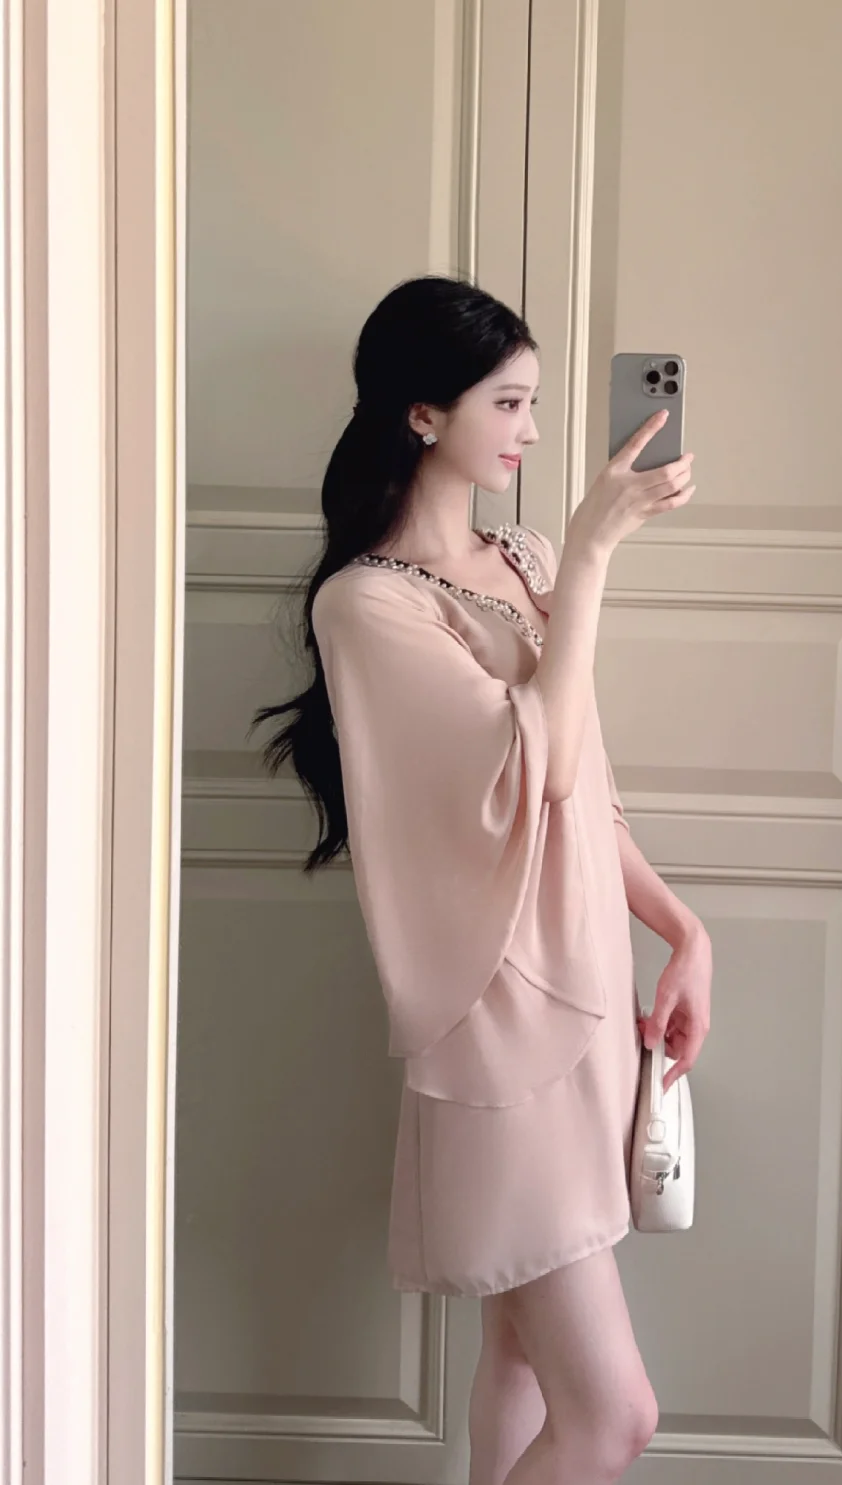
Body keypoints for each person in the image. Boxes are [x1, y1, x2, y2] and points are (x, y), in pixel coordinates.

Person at [253, 274, 713, 1484]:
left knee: (521, 1357)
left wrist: (681, 930)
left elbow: (588, 785)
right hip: (501, 1023)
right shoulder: (368, 606)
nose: (533, 431)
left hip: (589, 986)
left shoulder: (523, 554)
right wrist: (598, 553)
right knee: (614, 1415)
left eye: (536, 402)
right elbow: (536, 770)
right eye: (507, 403)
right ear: (423, 414)